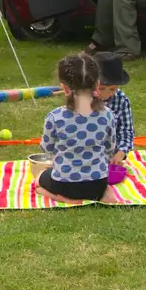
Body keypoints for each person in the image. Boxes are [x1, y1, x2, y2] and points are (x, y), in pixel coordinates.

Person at [36, 52, 117, 204]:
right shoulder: (107, 115)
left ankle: (62, 198)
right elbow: (110, 148)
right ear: (97, 85)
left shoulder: (55, 117)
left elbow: (46, 149)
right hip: (97, 183)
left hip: (64, 184)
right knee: (99, 187)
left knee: (39, 178)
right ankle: (104, 194)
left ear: (64, 88)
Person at [87, 50, 134, 170]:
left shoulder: (121, 100)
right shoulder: (82, 99)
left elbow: (126, 131)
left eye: (112, 89)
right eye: (102, 88)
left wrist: (121, 153)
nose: (107, 94)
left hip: (110, 155)